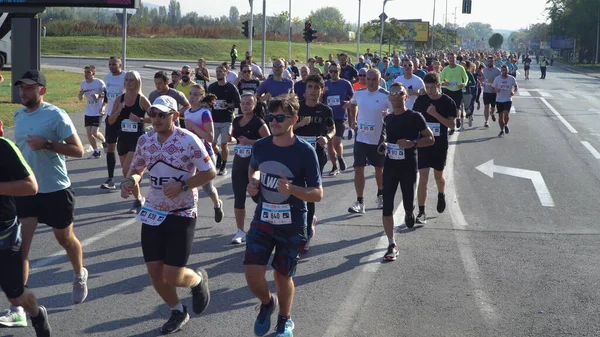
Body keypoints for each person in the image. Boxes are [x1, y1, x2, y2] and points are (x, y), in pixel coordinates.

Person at [121, 95, 213, 335]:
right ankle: (177, 310)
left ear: (175, 115)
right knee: (155, 272)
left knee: (172, 274)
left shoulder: (189, 140)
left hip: (182, 211)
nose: (157, 119)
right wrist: (131, 180)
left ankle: (197, 280)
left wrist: (183, 185)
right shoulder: (145, 140)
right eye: (153, 114)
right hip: (153, 210)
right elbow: (137, 168)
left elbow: (209, 172)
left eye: (162, 114)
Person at [5, 70, 88, 327]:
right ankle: (17, 307)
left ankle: (79, 273)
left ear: (42, 90)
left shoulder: (56, 115)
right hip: (29, 192)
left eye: (29, 88)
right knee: (22, 249)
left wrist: (47, 144)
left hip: (56, 190)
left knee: (64, 238)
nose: (23, 92)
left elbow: (78, 150)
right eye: (21, 88)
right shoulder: (18, 116)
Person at [245, 94, 322, 337]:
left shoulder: (305, 151)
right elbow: (254, 169)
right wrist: (254, 183)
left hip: (292, 224)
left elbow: (317, 194)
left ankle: (285, 320)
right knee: (252, 275)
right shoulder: (260, 146)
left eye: (280, 117)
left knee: (281, 275)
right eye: (271, 117)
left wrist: (292, 190)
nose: (274, 122)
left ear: (294, 119)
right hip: (263, 220)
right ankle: (268, 303)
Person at [0, 136, 52, 336]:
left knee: (16, 296)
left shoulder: (4, 147)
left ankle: (37, 315)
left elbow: (31, 186)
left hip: (3, 233)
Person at [381, 83, 434, 261]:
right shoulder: (387, 119)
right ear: (389, 97)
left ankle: (410, 212)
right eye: (393, 93)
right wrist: (384, 146)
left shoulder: (415, 117)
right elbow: (386, 140)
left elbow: (430, 138)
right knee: (386, 206)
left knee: (408, 201)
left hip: (408, 166)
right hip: (390, 166)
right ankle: (391, 243)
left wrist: (414, 143)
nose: (396, 96)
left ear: (406, 96)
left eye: (400, 93)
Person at [294, 75, 335, 251]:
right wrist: (299, 124)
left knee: (309, 193)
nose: (312, 91)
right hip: (296, 153)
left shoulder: (325, 110)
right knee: (296, 191)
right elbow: (287, 127)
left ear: (321, 90)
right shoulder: (297, 108)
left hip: (317, 154)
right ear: (305, 90)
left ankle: (306, 230)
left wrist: (327, 137)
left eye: (316, 87)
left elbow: (333, 129)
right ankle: (298, 225)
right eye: (309, 87)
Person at [412, 72, 457, 224]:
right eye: (427, 87)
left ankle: (441, 194)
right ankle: (421, 212)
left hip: (439, 145)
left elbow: (452, 125)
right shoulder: (421, 100)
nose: (429, 91)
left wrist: (435, 114)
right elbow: (414, 119)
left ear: (438, 86)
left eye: (432, 87)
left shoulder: (448, 102)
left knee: (438, 176)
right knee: (423, 177)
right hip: (424, 144)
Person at [347, 69, 392, 214]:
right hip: (361, 137)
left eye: (374, 79)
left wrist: (388, 116)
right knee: (358, 168)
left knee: (379, 169)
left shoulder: (386, 95)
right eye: (369, 79)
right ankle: (360, 201)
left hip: (378, 138)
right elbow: (352, 104)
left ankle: (381, 194)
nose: (371, 82)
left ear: (380, 80)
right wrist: (352, 121)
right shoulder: (359, 93)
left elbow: (394, 112)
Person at [108, 71, 152, 214]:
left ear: (137, 82)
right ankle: (139, 198)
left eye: (132, 80)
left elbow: (156, 118)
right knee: (126, 171)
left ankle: (137, 200)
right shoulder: (119, 99)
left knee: (129, 171)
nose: (128, 82)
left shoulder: (142, 99)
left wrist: (139, 120)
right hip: (123, 139)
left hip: (138, 140)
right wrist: (118, 111)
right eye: (126, 80)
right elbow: (110, 121)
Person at [230, 93, 270, 244]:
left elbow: (268, 141)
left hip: (255, 164)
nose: (245, 105)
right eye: (243, 103)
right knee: (239, 197)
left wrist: (250, 141)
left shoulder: (258, 122)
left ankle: (264, 226)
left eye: (248, 103)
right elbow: (235, 138)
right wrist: (231, 138)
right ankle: (240, 231)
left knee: (257, 196)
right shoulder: (236, 120)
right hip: (239, 163)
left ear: (254, 105)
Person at [183, 85, 225, 222]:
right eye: (190, 94)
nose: (192, 97)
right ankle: (189, 212)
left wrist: (194, 127)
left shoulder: (204, 113)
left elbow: (210, 137)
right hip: (190, 154)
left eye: (196, 94)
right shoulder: (187, 112)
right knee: (187, 183)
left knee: (208, 188)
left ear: (202, 97)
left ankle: (217, 204)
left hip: (205, 153)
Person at [207, 65, 242, 176]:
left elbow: (238, 103)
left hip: (226, 119)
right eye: (217, 72)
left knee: (223, 144)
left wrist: (227, 105)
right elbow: (207, 102)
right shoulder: (212, 87)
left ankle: (223, 165)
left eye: (220, 71)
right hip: (214, 119)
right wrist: (210, 104)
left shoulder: (231, 88)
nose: (218, 73)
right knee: (212, 144)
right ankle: (219, 156)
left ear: (226, 73)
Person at [100, 56, 126, 190]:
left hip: (123, 117)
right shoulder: (107, 77)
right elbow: (107, 94)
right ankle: (110, 179)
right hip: (110, 116)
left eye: (114, 64)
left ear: (120, 65)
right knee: (110, 147)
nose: (111, 66)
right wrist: (104, 106)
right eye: (109, 64)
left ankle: (127, 178)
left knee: (123, 149)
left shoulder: (127, 77)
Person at [323, 62, 354, 176]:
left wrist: (349, 103)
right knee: (330, 144)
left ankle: (340, 157)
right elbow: (320, 100)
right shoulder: (325, 84)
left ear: (339, 71)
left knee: (336, 141)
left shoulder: (345, 83)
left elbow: (353, 98)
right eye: (331, 71)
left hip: (340, 117)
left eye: (335, 71)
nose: (333, 73)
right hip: (328, 117)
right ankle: (334, 166)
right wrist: (323, 93)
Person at [78, 65, 107, 159]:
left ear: (93, 73)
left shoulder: (99, 83)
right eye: (85, 72)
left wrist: (99, 96)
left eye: (88, 72)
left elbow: (107, 95)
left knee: (94, 132)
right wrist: (80, 95)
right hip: (88, 111)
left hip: (98, 110)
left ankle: (104, 140)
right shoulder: (83, 84)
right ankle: (96, 151)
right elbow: (80, 99)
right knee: (88, 132)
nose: (86, 74)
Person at [439, 53, 469, 135]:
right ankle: (452, 127)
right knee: (450, 109)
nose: (452, 60)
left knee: (457, 107)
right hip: (448, 90)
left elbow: (466, 78)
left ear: (456, 59)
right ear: (448, 59)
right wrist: (443, 83)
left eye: (453, 58)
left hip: (458, 90)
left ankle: (458, 118)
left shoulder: (460, 68)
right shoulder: (445, 69)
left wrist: (463, 84)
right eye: (450, 58)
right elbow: (440, 79)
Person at [492, 65, 518, 137]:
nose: (504, 71)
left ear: (508, 70)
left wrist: (513, 92)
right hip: (499, 100)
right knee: (500, 117)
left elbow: (516, 87)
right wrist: (496, 90)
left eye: (505, 70)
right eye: (503, 70)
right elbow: (493, 88)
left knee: (506, 113)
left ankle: (506, 124)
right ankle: (501, 130)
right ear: (501, 71)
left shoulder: (511, 78)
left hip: (507, 99)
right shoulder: (497, 79)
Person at [483, 56, 501, 127]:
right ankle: (486, 121)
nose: (490, 63)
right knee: (486, 106)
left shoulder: (497, 71)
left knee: (493, 107)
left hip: (494, 92)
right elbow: (483, 78)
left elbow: (500, 80)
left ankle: (492, 113)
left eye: (491, 61)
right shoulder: (484, 70)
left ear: (494, 62)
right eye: (489, 61)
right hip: (486, 91)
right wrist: (482, 82)